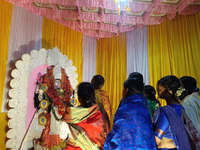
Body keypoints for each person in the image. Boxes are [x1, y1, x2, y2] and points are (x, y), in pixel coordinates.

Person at [104, 77, 157, 149]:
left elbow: (118, 133)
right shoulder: (143, 107)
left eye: (123, 89)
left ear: (127, 90)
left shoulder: (125, 108)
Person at [62, 82, 111, 150]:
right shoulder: (101, 112)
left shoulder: (71, 114)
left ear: (79, 98)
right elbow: (107, 134)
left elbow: (63, 135)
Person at [154, 75, 191, 150]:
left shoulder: (167, 111)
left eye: (160, 89)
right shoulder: (181, 108)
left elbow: (156, 139)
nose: (157, 90)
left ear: (169, 92)